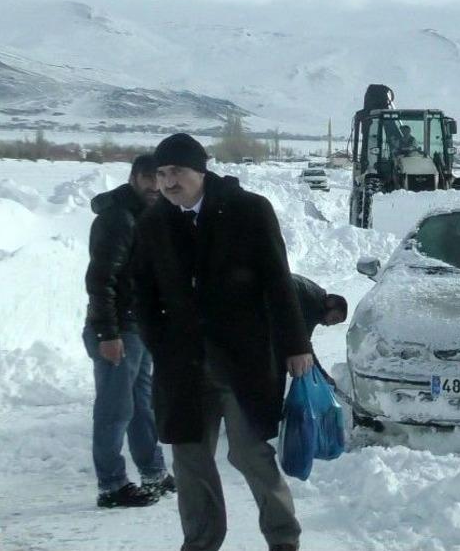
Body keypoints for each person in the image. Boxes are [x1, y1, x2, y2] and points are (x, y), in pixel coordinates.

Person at [133, 133, 313, 551]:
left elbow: (277, 281)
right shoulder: (154, 224)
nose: (168, 182)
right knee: (191, 462)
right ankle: (200, 543)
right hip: (183, 366)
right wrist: (158, 340)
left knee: (251, 454)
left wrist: (296, 344)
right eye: (161, 174)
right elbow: (141, 292)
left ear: (201, 171)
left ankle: (284, 540)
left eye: (176, 171)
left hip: (242, 359)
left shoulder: (248, 211)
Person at [83, 154, 176, 508]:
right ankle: (111, 485)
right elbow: (100, 278)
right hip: (117, 328)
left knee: (141, 406)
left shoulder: (144, 214)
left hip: (138, 326)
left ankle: (153, 472)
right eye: (153, 178)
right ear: (137, 178)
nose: (159, 185)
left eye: (164, 176)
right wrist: (108, 333)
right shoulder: (118, 219)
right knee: (115, 410)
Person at [291, 274, 348, 384]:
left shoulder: (316, 294)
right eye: (334, 318)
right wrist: (324, 377)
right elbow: (305, 347)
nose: (330, 324)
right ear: (330, 303)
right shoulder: (313, 305)